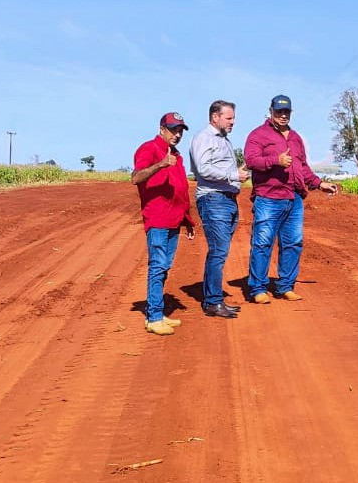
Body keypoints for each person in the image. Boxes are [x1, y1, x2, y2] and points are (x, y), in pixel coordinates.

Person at [242, 94, 338, 303]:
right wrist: (275, 160)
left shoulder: (295, 138)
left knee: (293, 243)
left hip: (293, 198)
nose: (283, 115)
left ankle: (285, 286)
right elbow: (250, 160)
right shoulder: (258, 135)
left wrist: (319, 184)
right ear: (271, 111)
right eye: (279, 111)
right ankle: (258, 288)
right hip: (269, 196)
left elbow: (302, 167)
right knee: (262, 243)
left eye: (286, 112)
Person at [131, 113, 197, 335]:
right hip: (158, 219)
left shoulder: (177, 156)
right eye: (173, 130)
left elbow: (181, 191)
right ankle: (154, 317)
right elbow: (136, 177)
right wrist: (160, 164)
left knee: (164, 266)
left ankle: (156, 312)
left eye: (180, 131)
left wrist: (187, 220)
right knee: (158, 266)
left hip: (174, 219)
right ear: (162, 129)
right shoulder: (149, 149)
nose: (177, 135)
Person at [186, 99, 246, 319]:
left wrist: (235, 173)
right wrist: (233, 175)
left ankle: (214, 299)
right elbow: (202, 170)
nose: (233, 122)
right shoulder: (204, 138)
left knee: (220, 251)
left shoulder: (224, 140)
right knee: (218, 251)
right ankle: (212, 302)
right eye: (229, 118)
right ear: (215, 117)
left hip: (227, 199)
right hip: (214, 199)